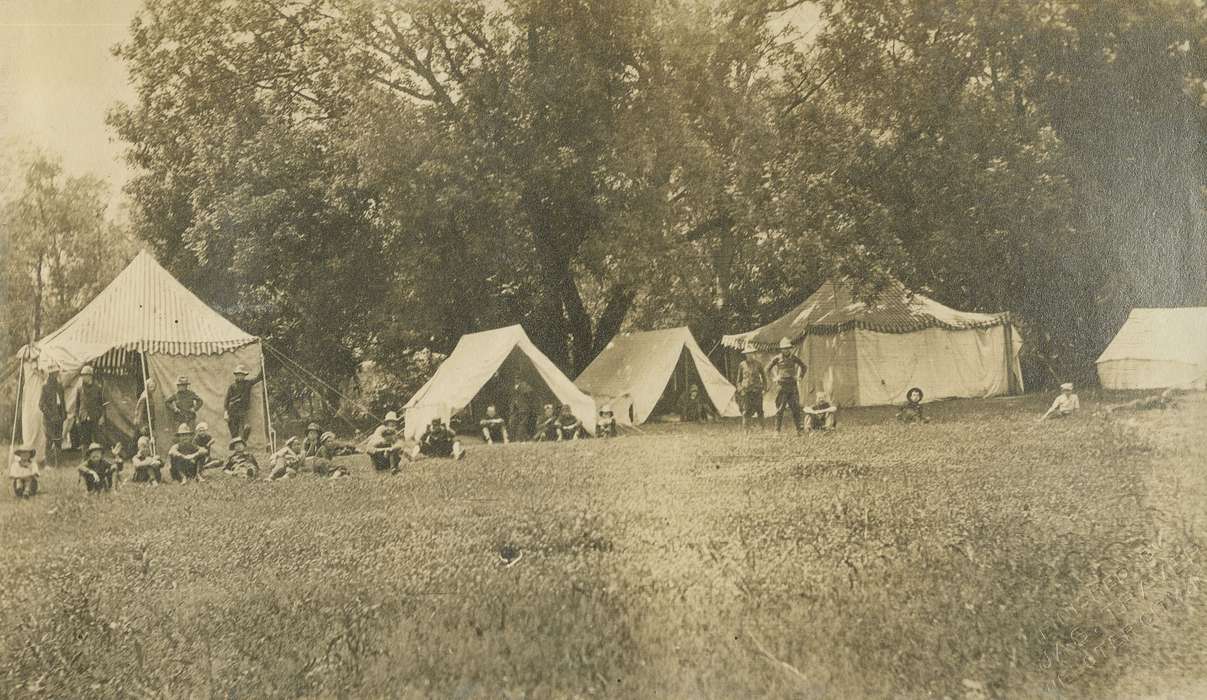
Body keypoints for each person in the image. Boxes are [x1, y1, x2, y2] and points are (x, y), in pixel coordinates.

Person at [766, 338, 807, 434]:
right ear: (781, 349)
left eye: (788, 348)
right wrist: (774, 378)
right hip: (781, 387)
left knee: (795, 409)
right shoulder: (777, 358)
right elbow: (767, 369)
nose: (786, 350)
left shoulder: (793, 357)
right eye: (784, 348)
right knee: (780, 409)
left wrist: (800, 377)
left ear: (790, 348)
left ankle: (799, 430)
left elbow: (804, 367)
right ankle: (777, 431)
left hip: (792, 386)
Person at [224, 364, 263, 442]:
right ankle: (237, 450)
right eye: (238, 375)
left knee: (246, 428)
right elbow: (227, 400)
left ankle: (243, 443)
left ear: (244, 376)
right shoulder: (232, 386)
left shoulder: (247, 383)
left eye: (242, 375)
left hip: (242, 410)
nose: (240, 377)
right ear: (236, 375)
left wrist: (262, 365)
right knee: (234, 432)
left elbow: (258, 378)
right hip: (232, 410)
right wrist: (226, 412)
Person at [39, 367, 67, 464]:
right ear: (50, 375)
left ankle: (58, 463)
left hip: (59, 416)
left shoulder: (59, 386)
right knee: (49, 440)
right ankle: (48, 463)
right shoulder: (45, 387)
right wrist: (51, 415)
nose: (55, 375)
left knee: (58, 440)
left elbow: (62, 401)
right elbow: (41, 405)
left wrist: (64, 413)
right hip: (49, 418)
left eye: (56, 373)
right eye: (53, 373)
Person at [74, 365, 106, 450]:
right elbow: (77, 405)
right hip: (83, 418)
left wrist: (102, 417)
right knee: (85, 441)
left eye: (85, 375)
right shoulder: (79, 388)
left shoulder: (98, 388)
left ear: (90, 376)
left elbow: (102, 404)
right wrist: (77, 418)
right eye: (82, 375)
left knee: (97, 440)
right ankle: (85, 459)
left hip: (95, 417)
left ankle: (98, 459)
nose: (83, 377)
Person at [736, 348, 766, 431]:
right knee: (746, 411)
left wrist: (764, 388)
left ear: (754, 354)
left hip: (757, 390)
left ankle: (762, 428)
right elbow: (738, 380)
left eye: (751, 353)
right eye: (747, 353)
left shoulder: (758, 364)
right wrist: (740, 389)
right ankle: (746, 430)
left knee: (759, 410)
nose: (749, 355)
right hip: (746, 391)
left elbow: (764, 377)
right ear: (745, 354)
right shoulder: (742, 365)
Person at [134, 377, 158, 445]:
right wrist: (141, 426)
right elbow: (139, 412)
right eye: (151, 387)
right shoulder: (145, 397)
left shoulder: (150, 395)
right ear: (147, 387)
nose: (153, 389)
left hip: (149, 422)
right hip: (144, 424)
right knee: (142, 442)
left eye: (154, 387)